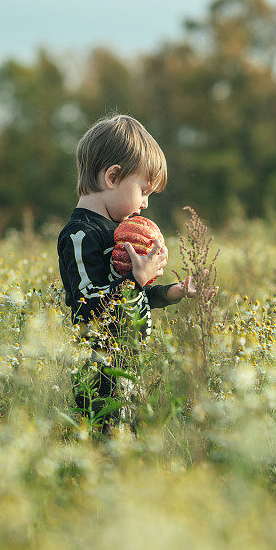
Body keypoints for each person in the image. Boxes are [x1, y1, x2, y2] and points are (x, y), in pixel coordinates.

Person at [57, 113, 218, 434]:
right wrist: (135, 279)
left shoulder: (120, 232)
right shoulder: (80, 236)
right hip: (99, 369)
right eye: (143, 191)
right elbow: (90, 305)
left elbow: (132, 296)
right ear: (112, 177)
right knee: (105, 440)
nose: (144, 204)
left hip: (128, 363)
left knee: (130, 441)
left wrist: (171, 292)